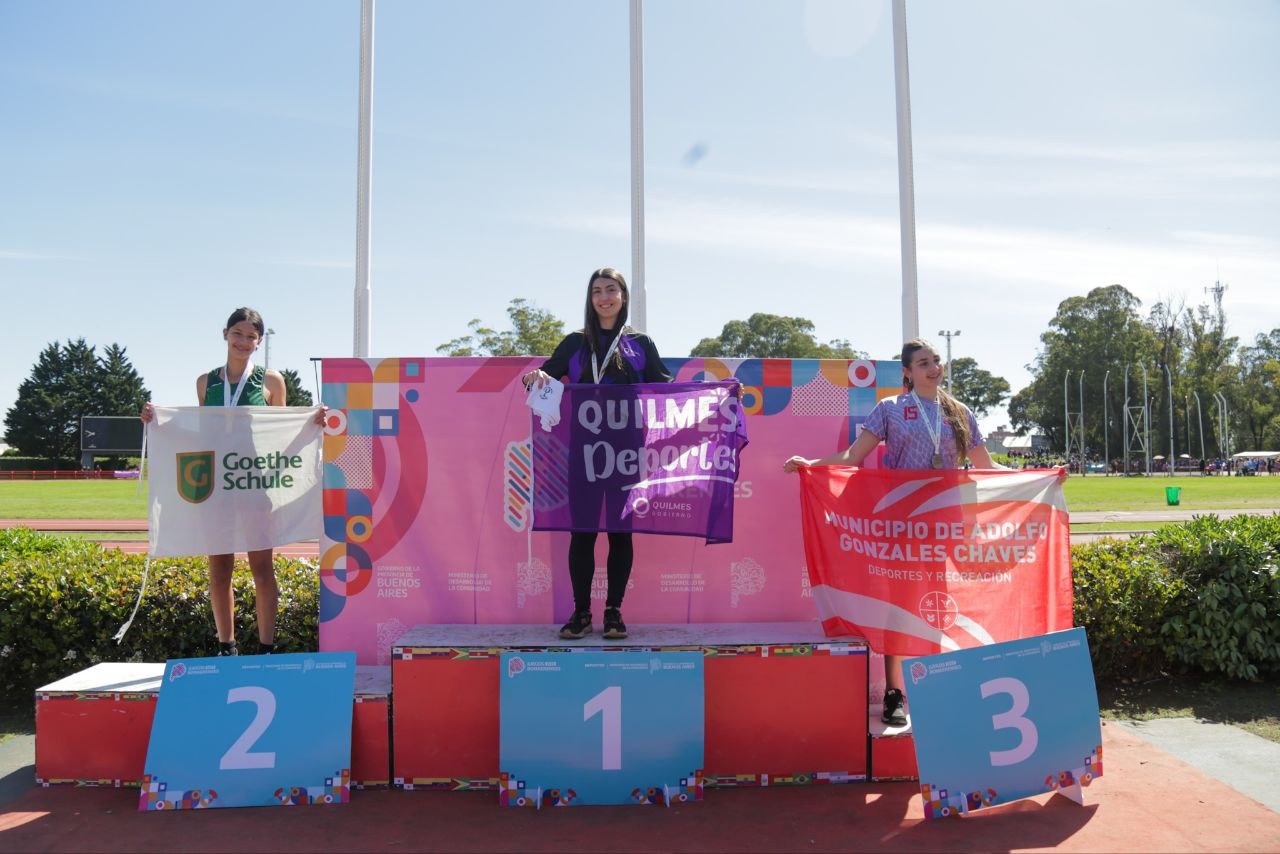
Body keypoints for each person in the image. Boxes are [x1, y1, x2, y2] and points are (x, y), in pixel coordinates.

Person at [782, 338, 1003, 727]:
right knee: (900, 605)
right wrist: (810, 464)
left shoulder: (959, 412)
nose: (933, 368)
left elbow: (987, 466)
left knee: (939, 603)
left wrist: (1045, 474)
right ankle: (894, 692)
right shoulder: (890, 409)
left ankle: (937, 686)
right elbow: (853, 457)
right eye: (923, 363)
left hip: (944, 522)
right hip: (901, 521)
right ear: (907, 372)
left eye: (936, 361)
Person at [142, 307, 321, 656]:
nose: (243, 341)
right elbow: (203, 434)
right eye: (237, 333)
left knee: (262, 568)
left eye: (251, 336)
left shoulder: (271, 381)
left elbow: (281, 434)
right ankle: (227, 646)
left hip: (254, 484)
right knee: (220, 569)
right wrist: (158, 422)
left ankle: (266, 647)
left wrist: (313, 422)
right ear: (225, 334)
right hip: (218, 487)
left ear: (259, 342)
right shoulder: (206, 382)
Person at [523, 268, 672, 641]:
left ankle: (614, 612)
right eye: (596, 292)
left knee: (621, 535)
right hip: (584, 453)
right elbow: (545, 376)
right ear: (590, 300)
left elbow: (667, 389)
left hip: (626, 454)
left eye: (611, 290)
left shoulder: (640, 343)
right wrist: (533, 377)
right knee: (583, 534)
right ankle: (581, 613)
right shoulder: (575, 342)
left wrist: (719, 392)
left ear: (623, 296)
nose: (604, 298)